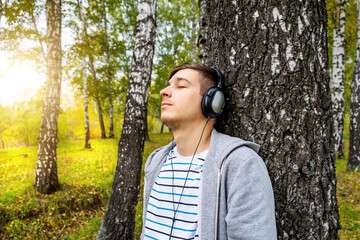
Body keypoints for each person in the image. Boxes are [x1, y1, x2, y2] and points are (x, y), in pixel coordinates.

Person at [141, 63, 277, 240]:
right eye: (168, 85)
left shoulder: (241, 165)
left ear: (212, 102)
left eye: (181, 85)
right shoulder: (156, 161)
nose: (164, 92)